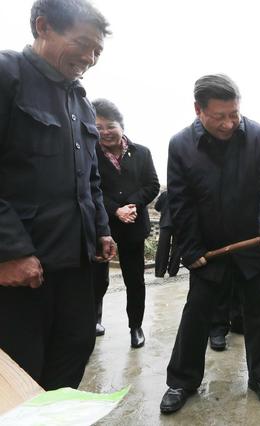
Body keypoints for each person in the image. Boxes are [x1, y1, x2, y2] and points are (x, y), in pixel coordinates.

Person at [0, 0, 115, 390]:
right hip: (20, 270)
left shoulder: (80, 101)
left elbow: (91, 179)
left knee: (74, 349)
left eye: (97, 51)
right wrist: (9, 251)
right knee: (20, 371)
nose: (89, 58)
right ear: (43, 26)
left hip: (75, 266)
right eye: (82, 44)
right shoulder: (7, 75)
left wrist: (101, 229)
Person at [160, 74, 260, 414]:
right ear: (198, 110)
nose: (230, 123)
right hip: (209, 249)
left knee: (258, 312)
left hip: (253, 244)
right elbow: (181, 201)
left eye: (234, 114)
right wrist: (190, 249)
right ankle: (182, 381)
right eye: (220, 116)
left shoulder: (258, 136)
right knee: (197, 313)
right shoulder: (181, 144)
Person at [91, 98, 159, 347]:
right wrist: (115, 210)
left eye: (110, 126)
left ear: (121, 126)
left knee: (135, 280)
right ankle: (94, 321)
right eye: (99, 127)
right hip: (102, 227)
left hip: (133, 224)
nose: (105, 132)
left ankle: (135, 327)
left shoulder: (142, 152)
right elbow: (90, 188)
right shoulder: (90, 153)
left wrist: (131, 205)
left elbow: (152, 185)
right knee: (97, 279)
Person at [154, 191, 181, 278]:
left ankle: (160, 272)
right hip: (179, 224)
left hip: (165, 223)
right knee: (177, 248)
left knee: (162, 247)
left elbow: (157, 207)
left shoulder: (164, 194)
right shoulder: (182, 194)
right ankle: (173, 271)